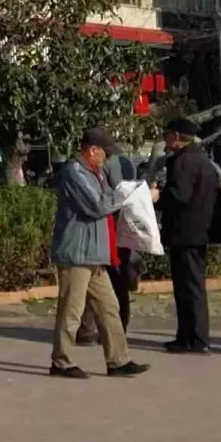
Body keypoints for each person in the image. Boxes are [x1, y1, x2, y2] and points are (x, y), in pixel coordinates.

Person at [48, 127, 151, 379]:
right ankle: (61, 361)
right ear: (92, 150)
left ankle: (118, 360)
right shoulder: (75, 172)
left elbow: (106, 197)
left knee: (109, 307)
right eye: (106, 153)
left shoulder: (96, 173)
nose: (108, 158)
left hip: (95, 252)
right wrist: (128, 196)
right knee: (72, 310)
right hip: (77, 253)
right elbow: (97, 205)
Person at [159, 118, 221, 354]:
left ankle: (195, 337)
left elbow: (179, 195)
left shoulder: (184, 161)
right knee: (189, 285)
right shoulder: (202, 160)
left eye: (166, 134)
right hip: (197, 231)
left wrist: (158, 198)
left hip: (185, 232)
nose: (165, 139)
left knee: (189, 286)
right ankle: (186, 334)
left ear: (176, 136)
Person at [78, 140, 140, 343]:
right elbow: (117, 194)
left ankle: (92, 330)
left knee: (104, 281)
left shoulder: (99, 166)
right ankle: (112, 331)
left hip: (109, 229)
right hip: (113, 228)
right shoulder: (94, 168)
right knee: (111, 281)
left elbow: (113, 195)